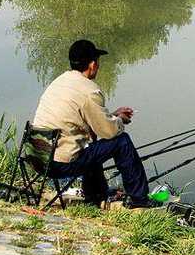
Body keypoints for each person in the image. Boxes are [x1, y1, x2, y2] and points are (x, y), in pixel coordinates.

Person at [33, 39, 156, 208]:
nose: (98, 66)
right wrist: (120, 120)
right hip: (59, 165)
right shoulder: (89, 91)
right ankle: (139, 200)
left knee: (90, 145)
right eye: (97, 62)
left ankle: (96, 195)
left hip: (38, 158)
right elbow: (109, 132)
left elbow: (82, 121)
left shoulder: (60, 81)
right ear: (92, 65)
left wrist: (112, 115)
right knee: (122, 141)